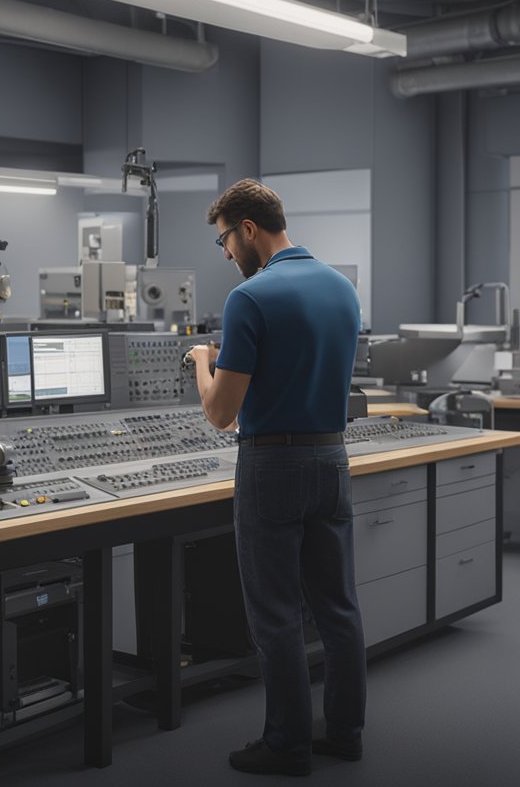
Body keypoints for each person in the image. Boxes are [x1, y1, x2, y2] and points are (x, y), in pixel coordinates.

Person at [188, 179, 366, 777]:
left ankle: (287, 743)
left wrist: (202, 364)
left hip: (272, 466)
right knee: (337, 607)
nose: (225, 255)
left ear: (248, 231)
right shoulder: (343, 288)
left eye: (224, 242)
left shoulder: (251, 298)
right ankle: (344, 732)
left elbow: (220, 414)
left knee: (276, 615)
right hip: (332, 458)